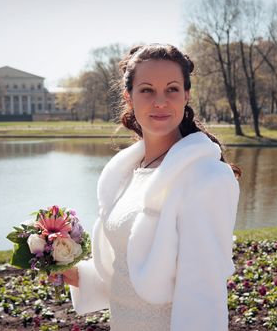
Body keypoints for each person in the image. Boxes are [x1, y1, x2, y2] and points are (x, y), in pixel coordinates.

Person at [52, 43, 240, 330]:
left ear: (187, 95)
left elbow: (204, 292)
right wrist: (77, 274)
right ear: (129, 96)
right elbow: (129, 267)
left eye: (172, 89)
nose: (160, 101)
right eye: (147, 90)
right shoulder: (128, 173)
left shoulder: (206, 177)